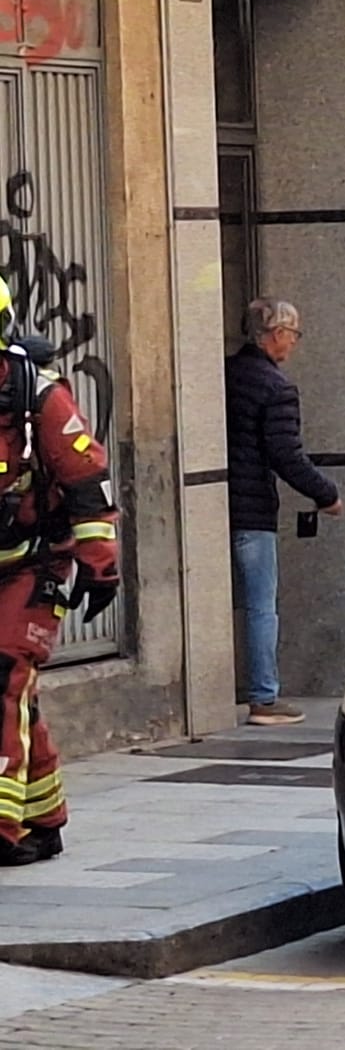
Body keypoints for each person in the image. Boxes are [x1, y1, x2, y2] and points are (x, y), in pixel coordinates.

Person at [0, 279, 119, 866]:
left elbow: (86, 485)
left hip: (31, 566)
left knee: (2, 682)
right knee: (17, 699)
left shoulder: (38, 400)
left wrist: (100, 566)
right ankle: (43, 819)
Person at [225, 300, 340, 729]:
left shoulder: (226, 373)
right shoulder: (275, 386)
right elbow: (286, 455)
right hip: (253, 511)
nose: (294, 342)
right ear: (275, 333)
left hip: (217, 505)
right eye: (293, 334)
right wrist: (327, 494)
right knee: (260, 605)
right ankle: (263, 698)